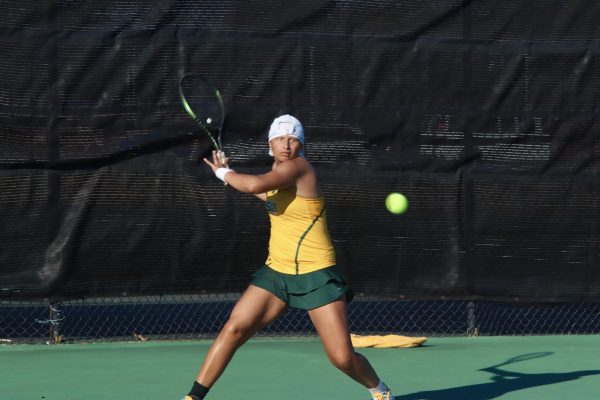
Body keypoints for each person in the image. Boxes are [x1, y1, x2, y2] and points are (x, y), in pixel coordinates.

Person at [183, 115, 394, 400]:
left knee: (342, 358)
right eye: (280, 139)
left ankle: (379, 390)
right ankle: (193, 397)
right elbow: (267, 195)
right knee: (234, 329)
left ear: (301, 144)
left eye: (293, 139)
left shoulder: (299, 167)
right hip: (277, 273)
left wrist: (223, 174)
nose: (286, 145)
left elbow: (254, 186)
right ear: (270, 143)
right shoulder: (278, 171)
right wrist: (231, 173)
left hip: (317, 275)